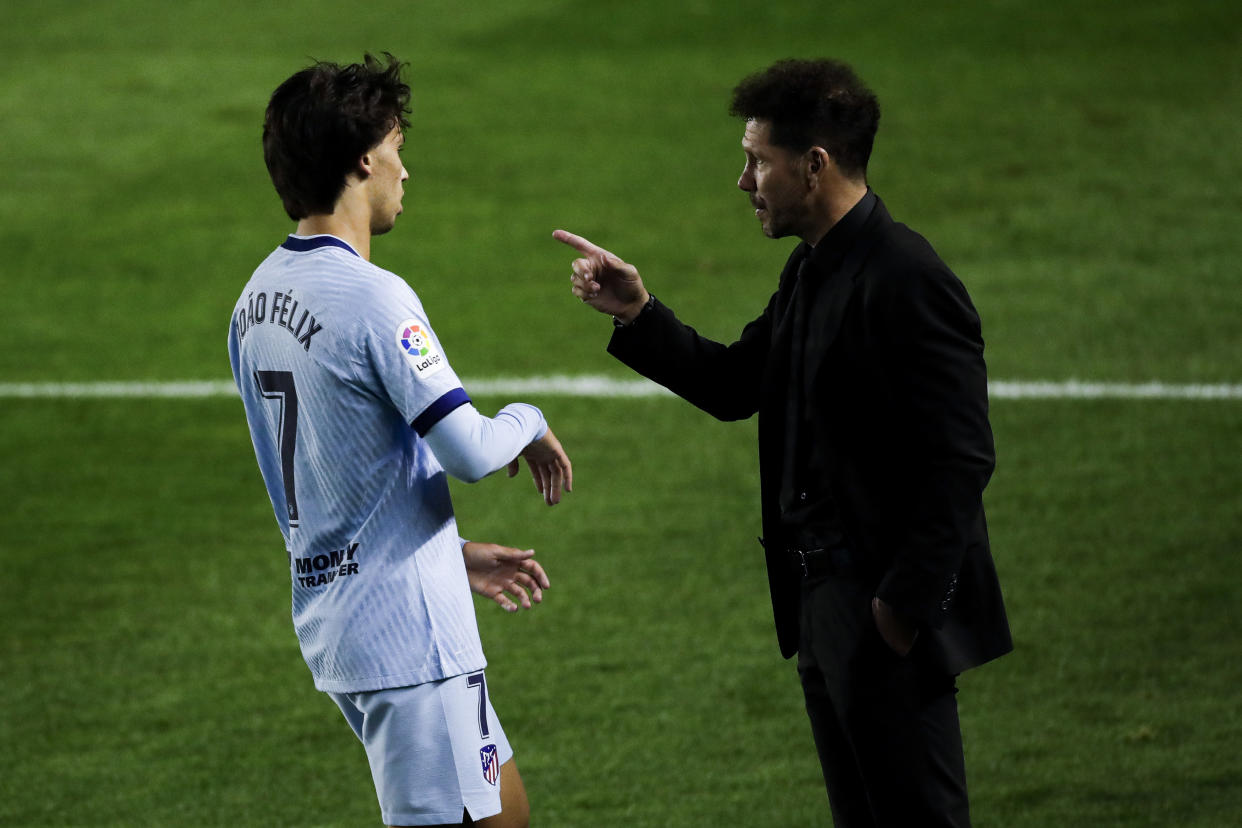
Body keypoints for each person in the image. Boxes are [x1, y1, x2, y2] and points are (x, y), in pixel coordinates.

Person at [555, 58, 1010, 827]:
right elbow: (738, 385)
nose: (744, 182)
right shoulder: (811, 271)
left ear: (815, 164)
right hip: (821, 610)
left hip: (878, 609)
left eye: (756, 161)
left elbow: (962, 457)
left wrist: (899, 609)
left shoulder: (906, 277)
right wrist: (639, 313)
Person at [228, 53, 571, 828]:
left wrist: (445, 555)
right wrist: (531, 417)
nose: (404, 171)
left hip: (342, 622)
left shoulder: (253, 303)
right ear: (363, 159)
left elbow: (317, 484)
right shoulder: (374, 298)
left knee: (504, 815)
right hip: (410, 645)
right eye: (396, 148)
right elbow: (472, 452)